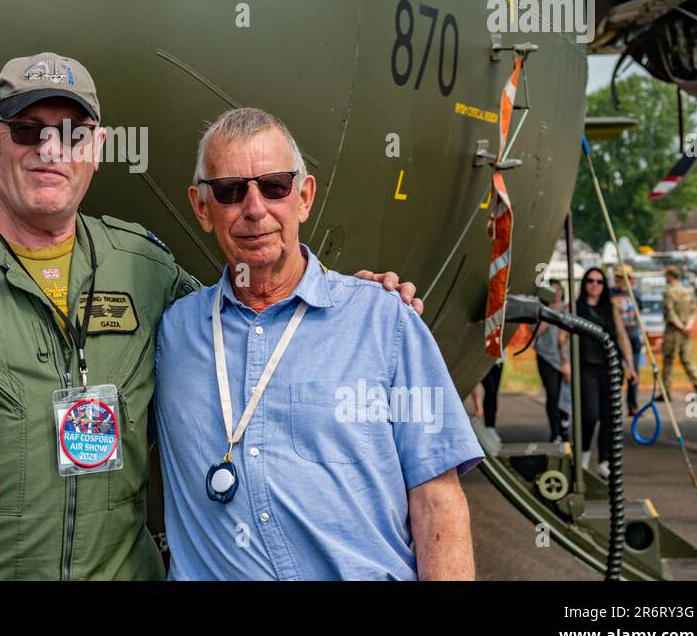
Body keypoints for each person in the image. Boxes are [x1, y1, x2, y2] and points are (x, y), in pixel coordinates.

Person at [0, 55, 417, 580]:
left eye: (73, 133)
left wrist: (351, 300)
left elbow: (246, 320)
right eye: (28, 130)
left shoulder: (141, 266)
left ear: (99, 148)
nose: (50, 151)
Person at [153, 108, 483, 580]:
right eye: (229, 191)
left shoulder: (385, 322)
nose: (254, 208)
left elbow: (437, 502)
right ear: (202, 207)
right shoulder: (173, 332)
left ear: (304, 197)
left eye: (274, 186)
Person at [574, 267, 636, 479]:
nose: (594, 285)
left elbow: (621, 336)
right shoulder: (575, 308)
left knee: (610, 417)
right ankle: (582, 458)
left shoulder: (611, 308)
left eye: (599, 282)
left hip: (609, 367)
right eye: (590, 281)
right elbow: (563, 339)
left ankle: (603, 461)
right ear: (584, 284)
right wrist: (564, 362)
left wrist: (630, 364)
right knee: (590, 415)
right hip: (586, 368)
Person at [660, 266, 697, 403]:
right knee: (688, 360)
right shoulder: (688, 291)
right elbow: (694, 310)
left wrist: (680, 325)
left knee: (668, 361)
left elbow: (670, 312)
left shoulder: (669, 292)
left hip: (673, 330)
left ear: (670, 276)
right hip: (686, 330)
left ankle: (666, 391)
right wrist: (688, 325)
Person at [534, 283, 569, 442]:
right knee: (553, 393)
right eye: (552, 290)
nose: (556, 293)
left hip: (565, 358)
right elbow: (535, 332)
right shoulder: (541, 309)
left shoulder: (568, 308)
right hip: (546, 356)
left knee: (566, 394)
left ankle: (564, 426)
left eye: (559, 289)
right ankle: (555, 432)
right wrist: (551, 314)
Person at [610, 266, 644, 415]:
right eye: (617, 277)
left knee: (634, 372)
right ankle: (614, 406)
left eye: (622, 277)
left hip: (633, 336)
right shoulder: (610, 293)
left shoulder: (635, 293)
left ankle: (632, 405)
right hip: (617, 339)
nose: (619, 281)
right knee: (616, 373)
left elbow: (639, 311)